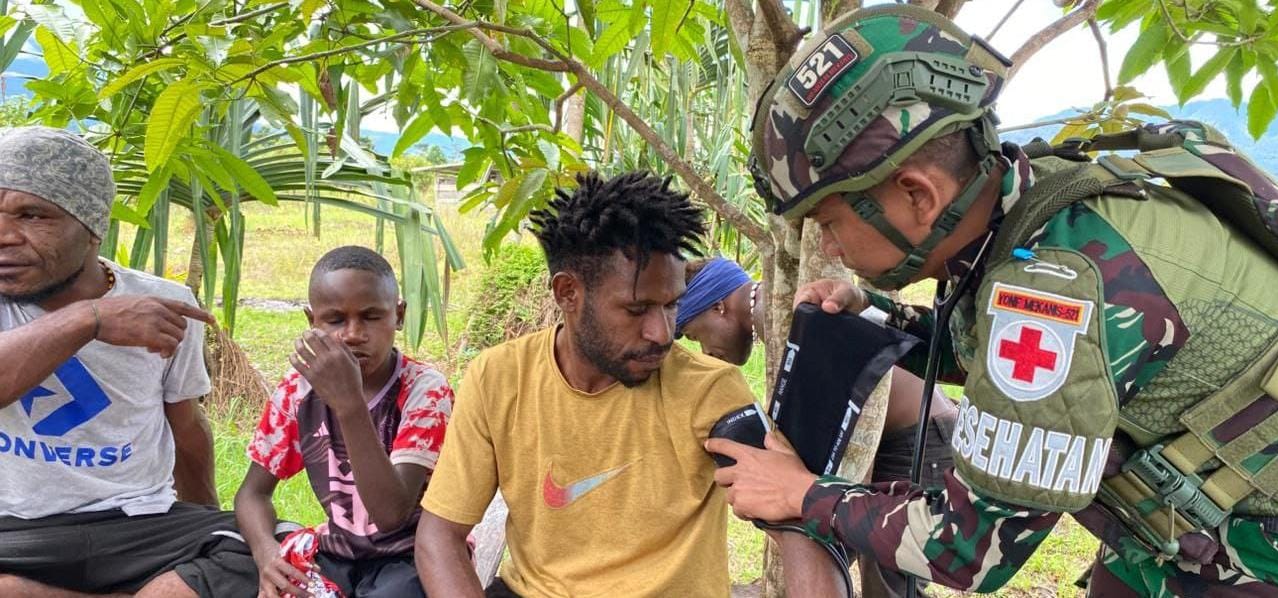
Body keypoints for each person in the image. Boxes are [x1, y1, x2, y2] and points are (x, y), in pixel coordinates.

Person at [709, 4, 1278, 596]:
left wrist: (800, 493)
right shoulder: (1035, 203)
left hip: (1252, 554)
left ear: (918, 196)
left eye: (830, 221)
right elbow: (998, 357)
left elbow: (967, 549)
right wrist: (875, 313)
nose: (827, 245)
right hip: (1179, 530)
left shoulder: (1052, 289)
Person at [415, 171, 837, 597]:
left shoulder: (709, 391)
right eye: (637, 310)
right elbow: (440, 535)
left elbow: (795, 528)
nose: (662, 333)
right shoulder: (499, 377)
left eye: (671, 305)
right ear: (567, 293)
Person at [0, 126, 261, 596]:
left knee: (275, 547)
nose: (3, 236)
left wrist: (205, 530)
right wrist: (90, 319)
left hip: (135, 524)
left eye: (32, 214)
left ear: (93, 227)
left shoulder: (164, 305)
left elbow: (186, 426)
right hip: (14, 530)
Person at [677, 256, 957, 597]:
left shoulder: (775, 318)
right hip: (902, 435)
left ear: (718, 307)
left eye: (696, 335)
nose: (706, 350)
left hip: (919, 440)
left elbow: (846, 420)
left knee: (888, 584)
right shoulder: (776, 305)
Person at [236, 245, 453, 598]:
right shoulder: (299, 390)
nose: (353, 334)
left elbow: (391, 515)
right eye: (335, 320)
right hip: (339, 552)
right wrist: (266, 554)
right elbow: (252, 493)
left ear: (398, 315)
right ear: (312, 321)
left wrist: (348, 403)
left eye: (371, 316)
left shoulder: (424, 391)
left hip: (413, 555)